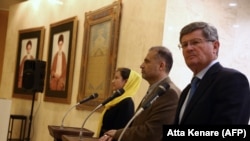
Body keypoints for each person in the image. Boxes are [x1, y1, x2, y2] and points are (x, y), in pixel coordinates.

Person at [174, 21, 250, 124]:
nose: (189, 48)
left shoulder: (232, 80)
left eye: (195, 42)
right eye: (184, 45)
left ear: (215, 46)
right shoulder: (187, 91)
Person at [99, 46, 181, 141]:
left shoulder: (169, 93)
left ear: (161, 66)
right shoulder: (156, 89)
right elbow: (138, 123)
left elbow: (152, 132)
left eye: (147, 61)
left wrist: (118, 134)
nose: (141, 65)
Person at [96, 67, 142, 137]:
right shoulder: (115, 99)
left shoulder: (127, 103)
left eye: (116, 78)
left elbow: (121, 130)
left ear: (126, 82)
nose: (112, 81)